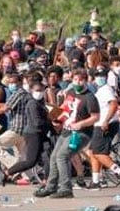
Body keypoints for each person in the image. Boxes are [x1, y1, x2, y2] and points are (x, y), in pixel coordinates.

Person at [34, 69, 100, 199]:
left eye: (80, 80)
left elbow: (95, 117)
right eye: (75, 80)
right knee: (54, 157)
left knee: (62, 156)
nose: (78, 82)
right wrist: (57, 118)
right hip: (66, 130)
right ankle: (50, 186)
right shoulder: (70, 92)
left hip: (81, 134)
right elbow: (65, 109)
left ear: (85, 81)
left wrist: (81, 124)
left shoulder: (90, 97)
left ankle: (66, 188)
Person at [86, 69, 120, 190]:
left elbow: (114, 104)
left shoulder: (106, 89)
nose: (99, 78)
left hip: (105, 124)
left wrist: (106, 120)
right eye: (97, 76)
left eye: (101, 76)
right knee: (92, 152)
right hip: (99, 124)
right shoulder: (100, 90)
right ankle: (96, 181)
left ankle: (117, 170)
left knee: (98, 153)